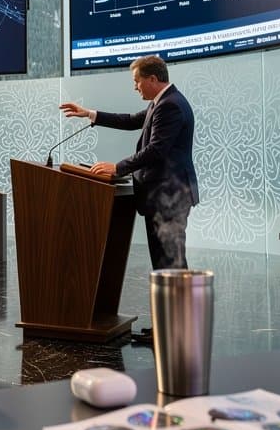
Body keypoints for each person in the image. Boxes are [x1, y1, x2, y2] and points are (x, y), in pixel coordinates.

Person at [60, 54, 199, 270]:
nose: (135, 87)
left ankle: (179, 304)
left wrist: (118, 167)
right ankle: (169, 304)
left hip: (169, 197)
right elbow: (131, 120)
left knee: (171, 264)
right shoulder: (162, 101)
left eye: (137, 81)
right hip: (163, 196)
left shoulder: (169, 105)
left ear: (152, 79)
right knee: (165, 264)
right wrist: (89, 114)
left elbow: (156, 150)